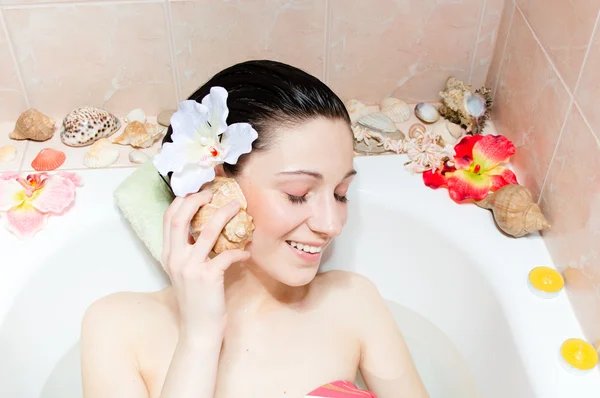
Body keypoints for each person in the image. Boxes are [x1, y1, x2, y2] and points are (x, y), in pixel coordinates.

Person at [80, 60, 429, 398]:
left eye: (340, 195)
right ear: (215, 188)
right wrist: (200, 338)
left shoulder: (353, 301)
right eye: (298, 194)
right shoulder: (117, 328)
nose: (331, 225)